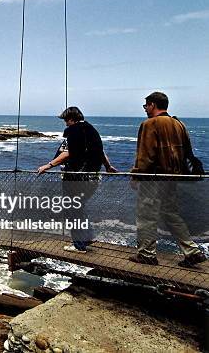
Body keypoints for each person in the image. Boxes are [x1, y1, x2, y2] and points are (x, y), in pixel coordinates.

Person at [129, 91, 206, 267]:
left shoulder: (150, 124)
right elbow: (187, 153)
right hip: (172, 177)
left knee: (146, 216)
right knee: (171, 214)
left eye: (146, 106)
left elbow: (146, 155)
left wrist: (136, 175)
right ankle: (192, 251)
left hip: (153, 179)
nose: (145, 110)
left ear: (152, 105)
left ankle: (147, 254)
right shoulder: (178, 123)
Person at [37, 107, 117, 253]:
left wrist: (48, 165)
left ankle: (79, 245)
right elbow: (100, 151)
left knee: (72, 209)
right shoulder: (91, 130)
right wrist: (108, 166)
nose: (66, 124)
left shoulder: (74, 131)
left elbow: (68, 153)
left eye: (66, 120)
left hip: (76, 178)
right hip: (93, 177)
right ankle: (87, 237)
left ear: (72, 119)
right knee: (79, 206)